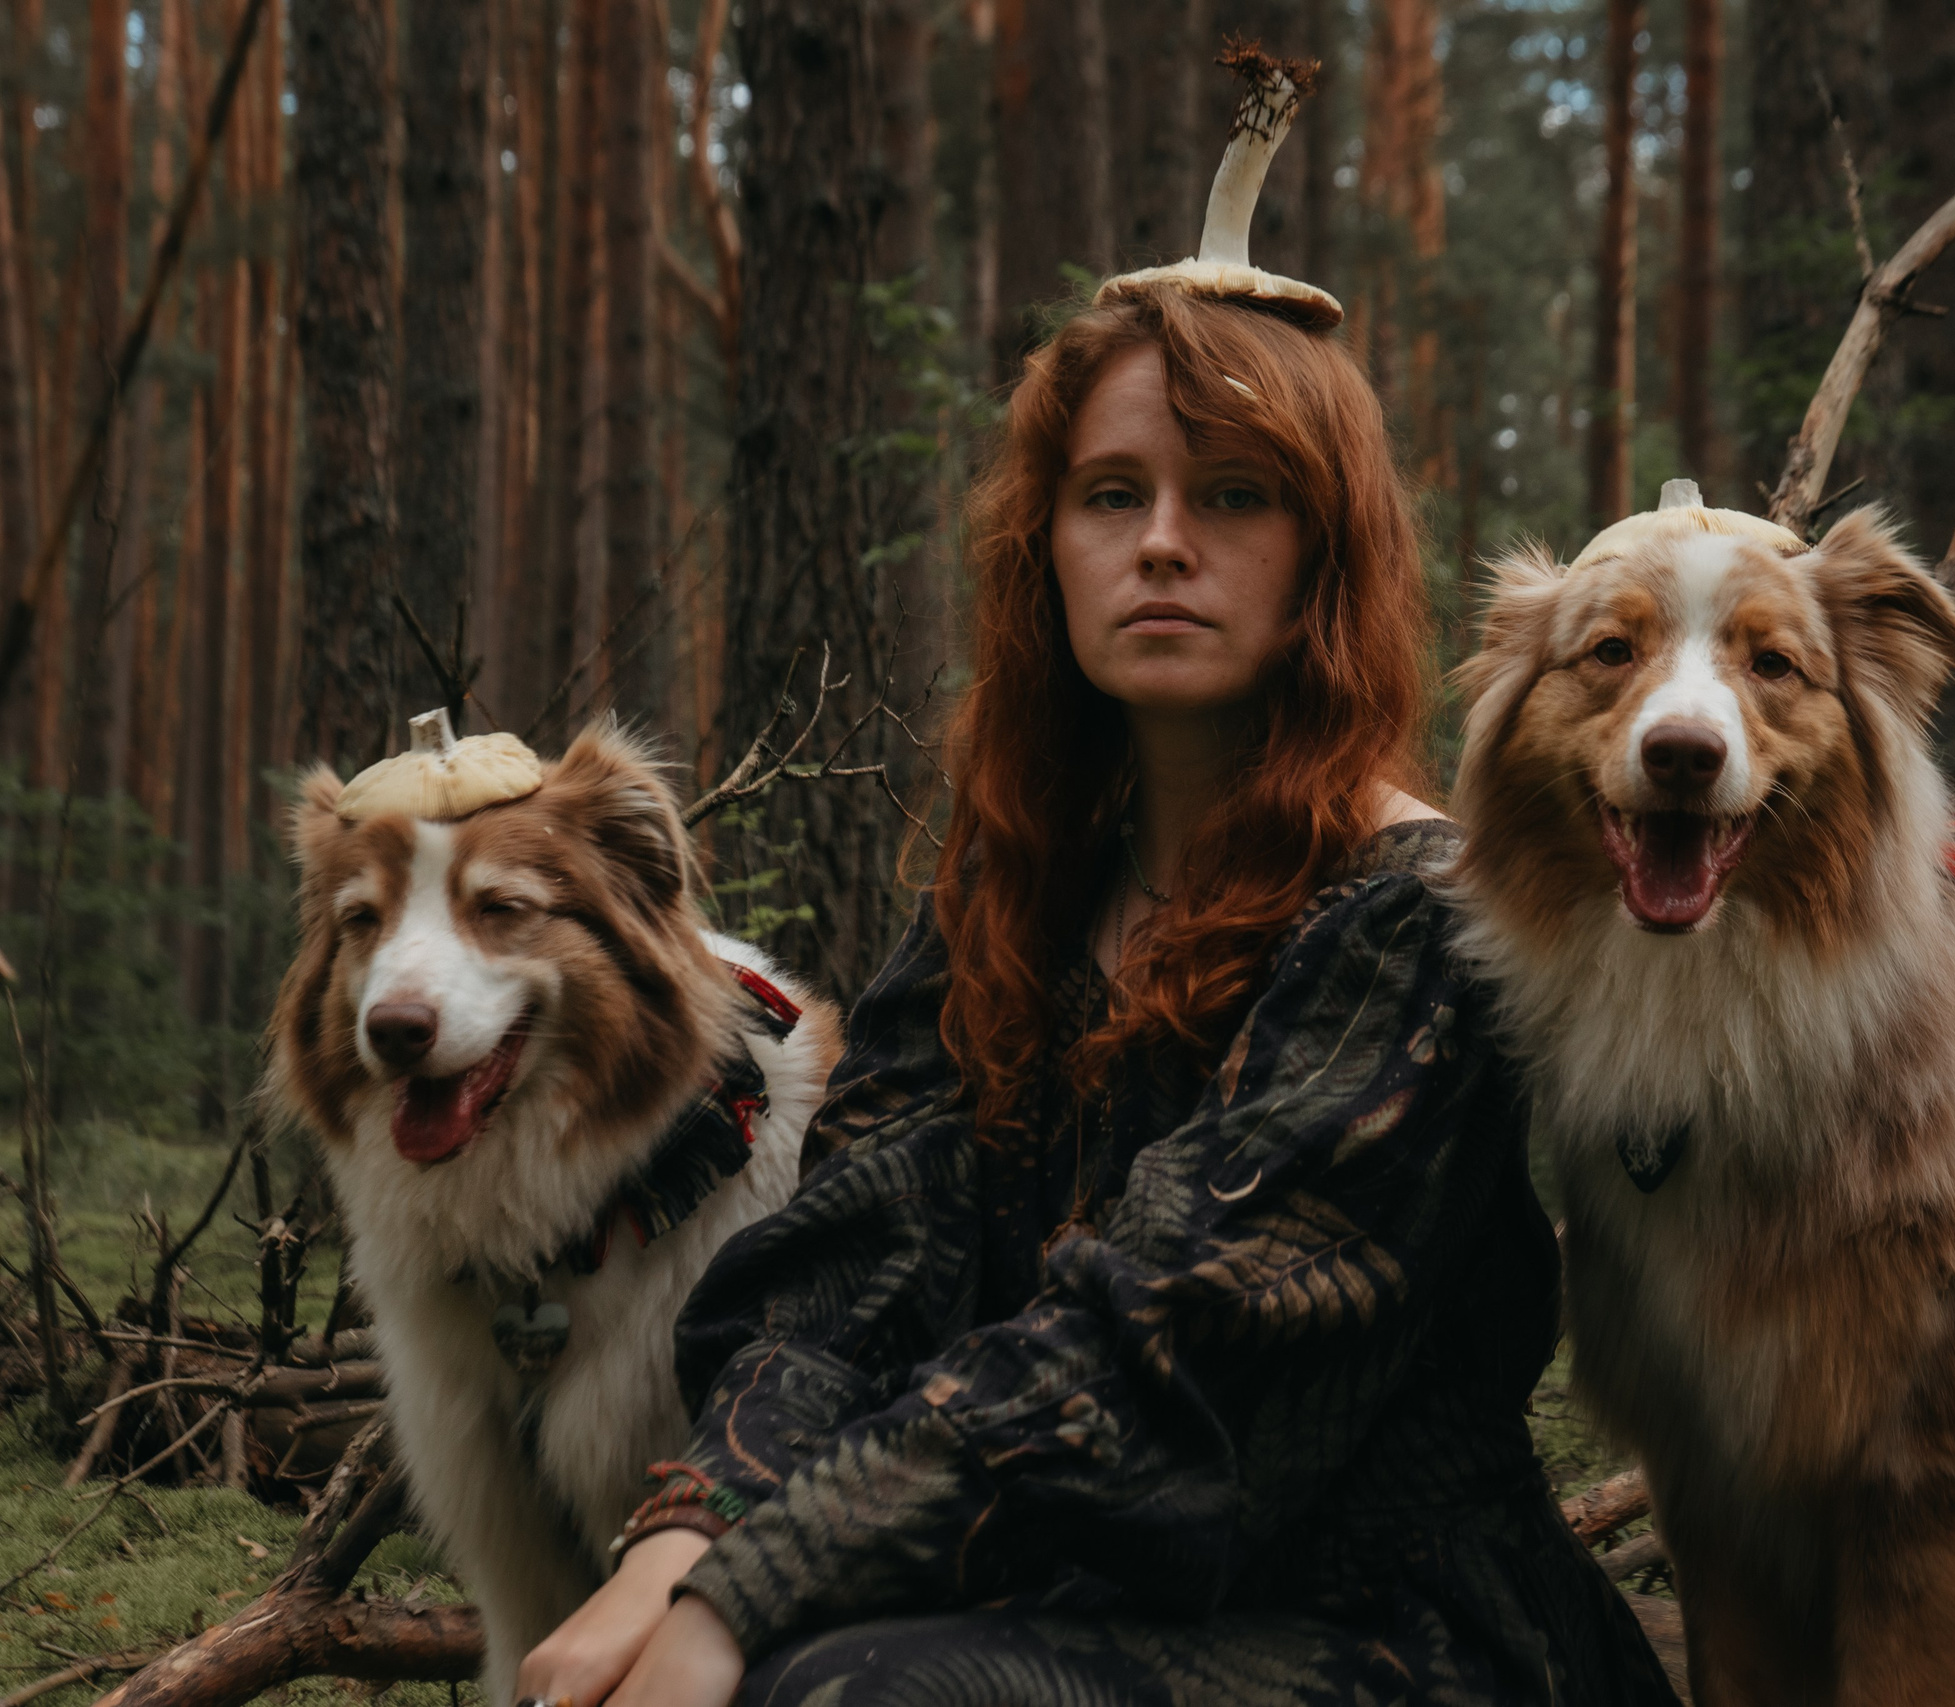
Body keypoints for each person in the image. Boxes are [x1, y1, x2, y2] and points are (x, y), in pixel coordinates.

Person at [510, 275, 1679, 1707]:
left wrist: (745, 1588)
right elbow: (838, 1286)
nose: (1166, 544)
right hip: (1056, 1600)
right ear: (1046, 547)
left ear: (1328, 551)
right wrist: (684, 1536)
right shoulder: (1009, 905)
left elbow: (1158, 1358)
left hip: (1394, 1635)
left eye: (1237, 496)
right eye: (1113, 495)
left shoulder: (1414, 920)